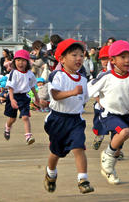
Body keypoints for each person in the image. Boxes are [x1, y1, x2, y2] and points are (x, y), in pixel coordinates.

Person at [87, 40, 129, 185]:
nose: (127, 60)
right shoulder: (107, 76)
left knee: (117, 149)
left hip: (124, 116)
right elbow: (89, 89)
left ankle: (109, 170)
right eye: (123, 57)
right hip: (108, 114)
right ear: (113, 60)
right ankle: (106, 157)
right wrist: (96, 100)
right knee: (125, 133)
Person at [43, 39, 94, 194]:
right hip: (57, 119)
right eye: (74, 55)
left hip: (75, 120)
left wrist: (78, 102)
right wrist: (73, 92)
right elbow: (55, 94)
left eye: (81, 55)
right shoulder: (57, 75)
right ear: (62, 59)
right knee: (56, 152)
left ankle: (83, 179)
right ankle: (51, 173)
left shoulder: (84, 79)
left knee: (79, 147)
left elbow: (84, 99)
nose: (79, 58)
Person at [3, 49, 39, 145]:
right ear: (14, 62)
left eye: (23, 60)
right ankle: (7, 127)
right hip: (13, 96)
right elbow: (10, 88)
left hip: (24, 97)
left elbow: (32, 86)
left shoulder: (30, 74)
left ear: (27, 62)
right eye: (18, 60)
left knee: (25, 117)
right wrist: (12, 99)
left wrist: (37, 98)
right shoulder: (13, 73)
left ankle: (28, 136)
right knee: (12, 118)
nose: (20, 63)